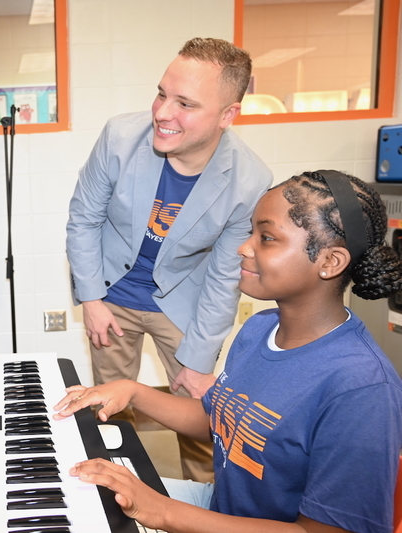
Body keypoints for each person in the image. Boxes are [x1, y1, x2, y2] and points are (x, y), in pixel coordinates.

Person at [56, 170, 402, 533]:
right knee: (77, 496)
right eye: (251, 231)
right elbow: (218, 422)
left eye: (266, 238)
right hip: (220, 507)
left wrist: (162, 511)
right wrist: (133, 391)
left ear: (330, 262)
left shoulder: (361, 387)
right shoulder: (260, 329)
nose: (244, 247)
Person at [66, 37, 273, 482]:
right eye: (162, 93)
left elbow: (224, 277)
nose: (162, 112)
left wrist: (199, 361)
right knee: (111, 413)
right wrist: (92, 300)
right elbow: (83, 219)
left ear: (227, 115)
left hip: (181, 302)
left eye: (185, 103)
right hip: (111, 295)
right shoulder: (121, 136)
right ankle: (118, 497)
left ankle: (207, 510)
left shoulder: (249, 180)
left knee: (201, 417)